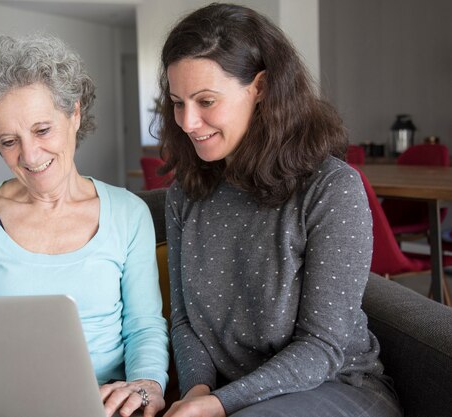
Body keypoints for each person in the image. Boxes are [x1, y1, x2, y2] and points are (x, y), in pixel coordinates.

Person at [155, 4, 402, 417]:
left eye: (206, 101)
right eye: (178, 103)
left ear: (261, 87)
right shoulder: (185, 194)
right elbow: (185, 323)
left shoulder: (331, 188)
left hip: (337, 385)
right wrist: (196, 394)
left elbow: (322, 347)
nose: (188, 122)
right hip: (231, 396)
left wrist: (220, 403)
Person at [0, 34, 168, 417]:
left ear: (74, 114)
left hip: (101, 405)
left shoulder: (128, 213)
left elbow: (143, 326)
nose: (30, 155)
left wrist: (147, 385)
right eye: (9, 141)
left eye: (42, 130)